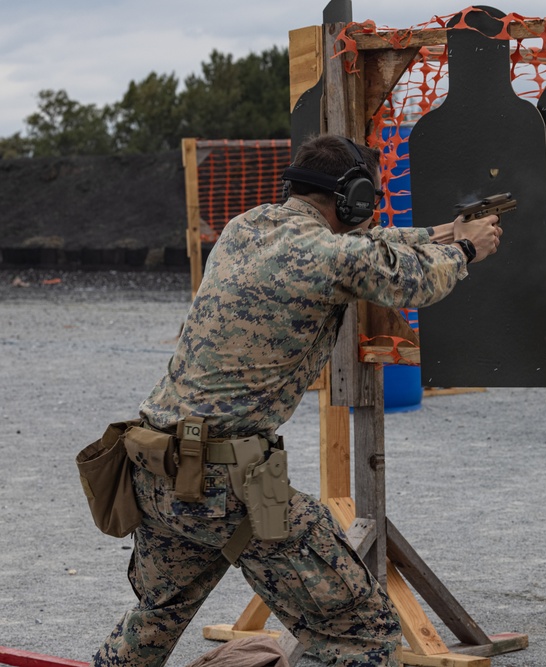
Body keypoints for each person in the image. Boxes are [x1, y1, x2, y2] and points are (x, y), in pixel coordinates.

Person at [91, 134, 502, 667]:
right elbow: (415, 281)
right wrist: (465, 248)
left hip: (154, 470)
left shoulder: (247, 227)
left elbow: (367, 248)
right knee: (360, 632)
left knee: (156, 616)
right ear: (353, 197)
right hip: (228, 485)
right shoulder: (329, 254)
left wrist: (442, 230)